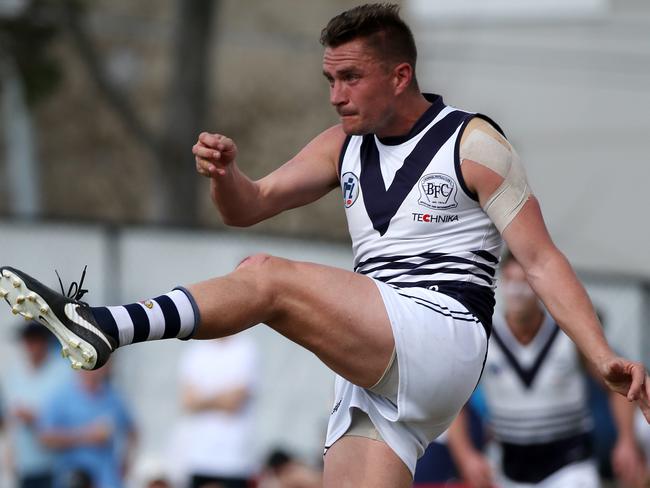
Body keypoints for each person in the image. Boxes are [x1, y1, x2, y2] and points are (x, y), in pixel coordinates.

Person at [0, 4, 648, 487]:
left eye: (351, 77)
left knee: (266, 276)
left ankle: (105, 323)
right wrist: (227, 177)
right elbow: (250, 207)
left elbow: (539, 259)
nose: (336, 94)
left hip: (442, 336)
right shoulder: (342, 146)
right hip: (378, 359)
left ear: (400, 76)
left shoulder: (472, 143)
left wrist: (599, 354)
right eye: (329, 78)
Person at [446, 253, 646, 487]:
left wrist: (626, 440)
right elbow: (453, 398)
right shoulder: (484, 335)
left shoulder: (569, 332)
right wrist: (465, 455)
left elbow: (618, 385)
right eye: (510, 281)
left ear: (538, 285)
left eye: (524, 282)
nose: (516, 291)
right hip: (509, 469)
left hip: (570, 464)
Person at [176, 336, 259, 488]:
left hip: (234, 459)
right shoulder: (196, 350)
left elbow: (234, 403)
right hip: (198, 456)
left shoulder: (245, 348)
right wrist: (222, 396)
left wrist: (203, 398)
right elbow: (188, 401)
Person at [38, 366, 136, 488]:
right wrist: (86, 436)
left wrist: (126, 462)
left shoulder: (113, 397)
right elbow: (45, 438)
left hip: (107, 479)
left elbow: (132, 431)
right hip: (73, 477)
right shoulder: (61, 397)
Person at [0, 322, 70, 488]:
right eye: (28, 341)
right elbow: (6, 418)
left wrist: (36, 418)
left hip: (59, 465)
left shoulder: (64, 372)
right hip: (24, 464)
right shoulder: (13, 375)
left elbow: (73, 414)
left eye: (35, 341)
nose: (31, 346)